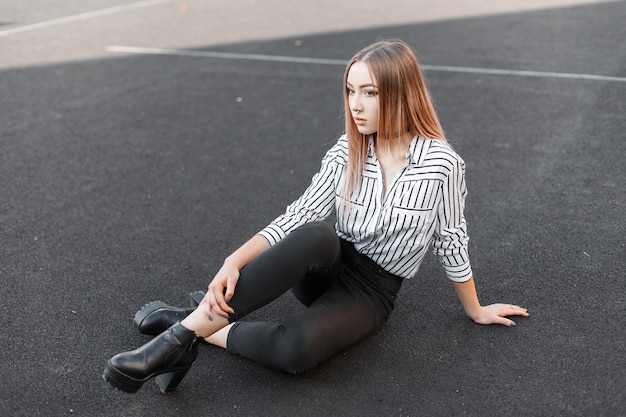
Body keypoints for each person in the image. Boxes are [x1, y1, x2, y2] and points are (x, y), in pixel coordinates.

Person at [102, 39, 529, 394]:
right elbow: (297, 216)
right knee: (317, 233)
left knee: (297, 352)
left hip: (371, 291)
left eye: (370, 92)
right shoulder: (347, 150)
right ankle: (170, 345)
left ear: (401, 93)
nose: (356, 105)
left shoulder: (442, 164)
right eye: (350, 90)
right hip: (327, 264)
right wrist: (232, 261)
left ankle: (185, 327)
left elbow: (452, 238)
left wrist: (474, 310)